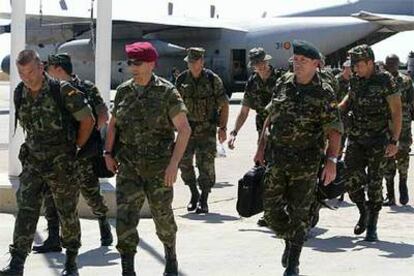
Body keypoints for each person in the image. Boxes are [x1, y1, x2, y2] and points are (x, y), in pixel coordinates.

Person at [0, 50, 95, 276]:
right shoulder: (20, 92)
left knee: (67, 212)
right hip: (33, 162)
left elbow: (88, 120)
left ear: (41, 67)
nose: (27, 77)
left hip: (61, 163)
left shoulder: (62, 91)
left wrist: (75, 148)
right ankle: (17, 263)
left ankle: (71, 261)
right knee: (26, 210)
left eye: (31, 71)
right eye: (22, 73)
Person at [254, 40, 342, 276]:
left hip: (306, 163)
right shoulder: (283, 83)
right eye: (296, 60)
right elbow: (270, 117)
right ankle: (289, 239)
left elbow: (334, 129)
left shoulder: (324, 92)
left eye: (304, 61)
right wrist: (261, 147)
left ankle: (293, 262)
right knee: (271, 212)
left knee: (300, 213)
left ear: (316, 64)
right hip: (278, 158)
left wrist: (332, 162)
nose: (298, 64)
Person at [104, 41, 191, 276]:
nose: (132, 66)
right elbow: (114, 124)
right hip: (129, 167)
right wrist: (108, 152)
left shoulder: (167, 92)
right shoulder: (123, 90)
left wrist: (174, 165)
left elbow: (184, 129)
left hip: (158, 169)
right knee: (125, 219)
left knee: (162, 217)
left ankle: (170, 258)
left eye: (137, 62)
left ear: (151, 63)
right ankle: (127, 269)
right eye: (130, 62)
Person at [30, 53, 112, 254]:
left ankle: (103, 222)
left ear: (58, 69)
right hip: (56, 156)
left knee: (90, 193)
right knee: (51, 196)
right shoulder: (48, 89)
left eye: (48, 67)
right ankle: (54, 239)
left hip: (81, 155)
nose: (45, 71)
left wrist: (87, 137)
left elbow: (102, 115)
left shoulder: (86, 87)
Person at [339, 45, 402, 242]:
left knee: (375, 184)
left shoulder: (386, 81)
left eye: (358, 65)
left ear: (369, 62)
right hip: (356, 138)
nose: (355, 69)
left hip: (378, 140)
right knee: (349, 179)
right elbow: (349, 99)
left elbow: (396, 112)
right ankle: (363, 211)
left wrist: (394, 140)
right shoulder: (356, 80)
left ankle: (372, 225)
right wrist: (336, 108)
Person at [228, 47, 284, 226]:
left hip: (285, 130)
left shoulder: (281, 79)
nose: (258, 67)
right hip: (263, 133)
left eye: (260, 63)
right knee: (266, 171)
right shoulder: (252, 82)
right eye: (255, 65)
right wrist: (234, 132)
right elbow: (244, 111)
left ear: (267, 61)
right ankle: (269, 211)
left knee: (283, 170)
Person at [175, 47, 229, 214]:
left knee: (205, 164)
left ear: (201, 62)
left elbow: (224, 104)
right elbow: (175, 105)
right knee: (183, 162)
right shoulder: (182, 79)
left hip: (207, 129)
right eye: (189, 62)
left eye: (194, 61)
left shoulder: (213, 79)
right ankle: (193, 193)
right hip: (187, 130)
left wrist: (223, 127)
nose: (191, 64)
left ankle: (204, 199)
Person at [383, 54, 414, 206]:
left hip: (405, 127)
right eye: (389, 62)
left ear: (398, 63)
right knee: (387, 159)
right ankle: (390, 195)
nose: (391, 65)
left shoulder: (406, 81)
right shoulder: (382, 81)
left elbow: (411, 102)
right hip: (387, 126)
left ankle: (403, 184)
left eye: (394, 62)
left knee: (403, 156)